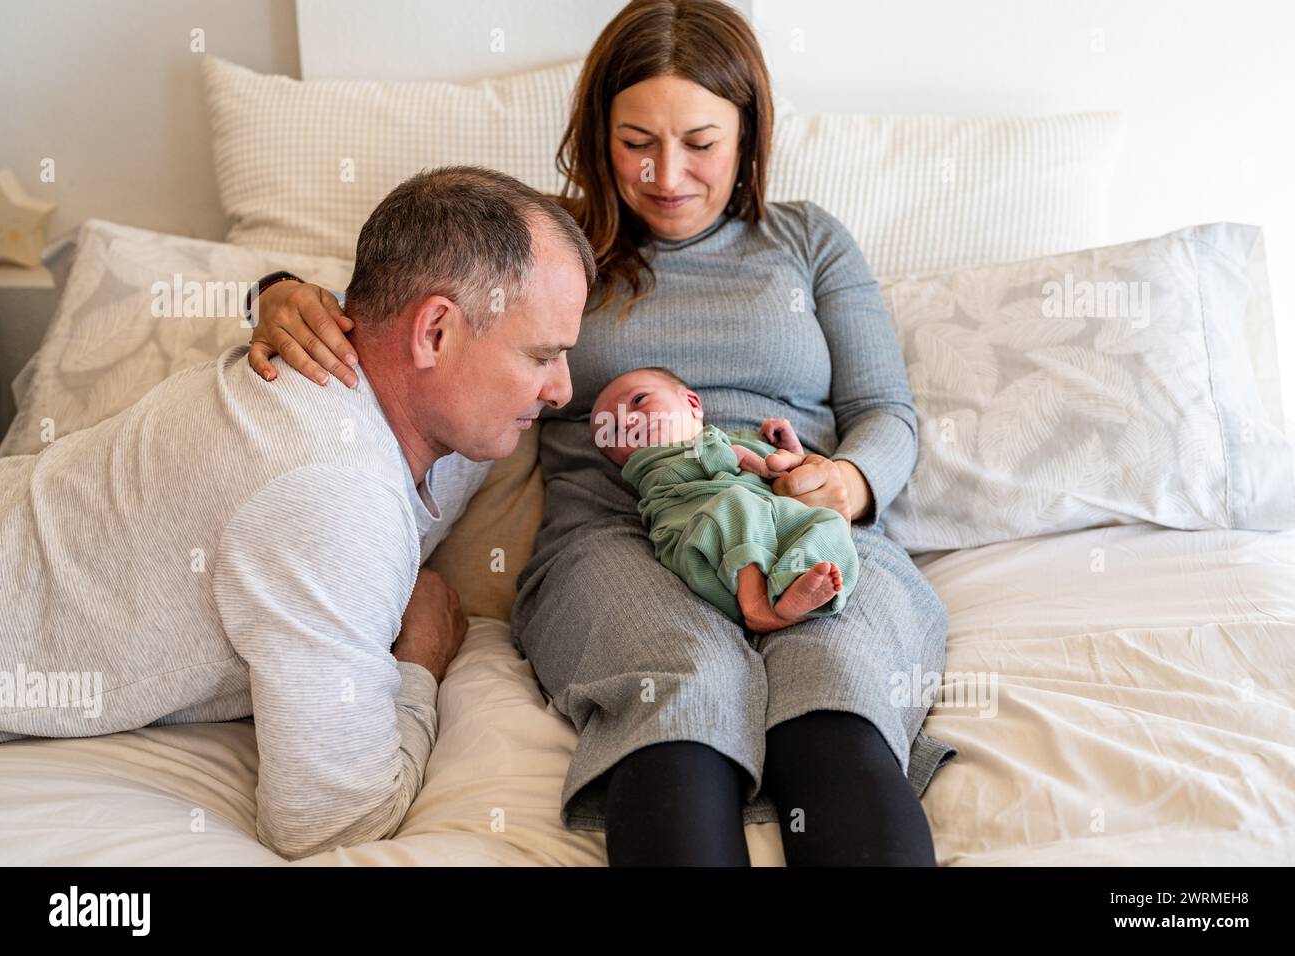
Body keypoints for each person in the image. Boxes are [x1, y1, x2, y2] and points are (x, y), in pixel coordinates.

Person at [245, 0, 957, 866]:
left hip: (802, 517)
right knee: (681, 689)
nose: (666, 175)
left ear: (750, 132)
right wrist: (277, 290)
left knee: (835, 698)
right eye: (635, 142)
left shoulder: (809, 240)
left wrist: (849, 483)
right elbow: (409, 307)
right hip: (618, 533)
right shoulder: (548, 237)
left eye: (700, 143)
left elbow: (888, 410)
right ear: (595, 131)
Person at [0, 165, 595, 861]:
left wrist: (274, 288)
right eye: (542, 356)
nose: (562, 389)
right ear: (433, 332)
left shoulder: (380, 360)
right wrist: (420, 661)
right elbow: (333, 822)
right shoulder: (333, 495)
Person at [590, 365, 859, 632]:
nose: (627, 422)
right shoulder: (651, 467)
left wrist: (789, 453)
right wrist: (744, 457)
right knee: (734, 502)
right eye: (613, 430)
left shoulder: (731, 440)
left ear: (692, 403)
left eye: (639, 400)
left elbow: (788, 481)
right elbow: (711, 461)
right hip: (710, 552)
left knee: (830, 523)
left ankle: (795, 587)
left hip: (772, 538)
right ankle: (758, 607)